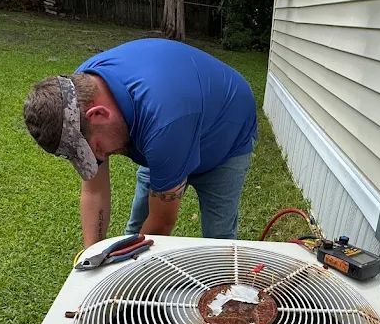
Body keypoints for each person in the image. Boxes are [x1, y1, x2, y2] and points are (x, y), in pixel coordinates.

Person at [23, 38, 257, 246]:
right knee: (135, 231)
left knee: (219, 240)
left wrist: (123, 268)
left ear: (99, 114)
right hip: (172, 129)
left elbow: (161, 224)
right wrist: (92, 255)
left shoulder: (164, 124)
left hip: (226, 137)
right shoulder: (77, 94)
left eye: (92, 148)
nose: (100, 158)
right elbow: (94, 192)